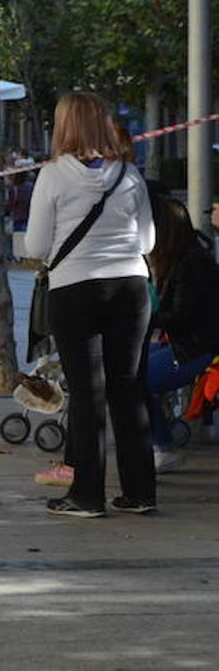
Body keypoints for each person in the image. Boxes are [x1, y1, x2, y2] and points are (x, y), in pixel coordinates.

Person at [25, 92, 155, 518]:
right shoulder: (130, 175)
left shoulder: (53, 177)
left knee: (87, 393)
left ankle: (86, 496)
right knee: (127, 387)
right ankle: (139, 492)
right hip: (131, 287)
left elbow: (36, 245)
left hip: (75, 288)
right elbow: (147, 242)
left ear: (64, 127)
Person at [140, 197, 219, 473]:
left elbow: (184, 317)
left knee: (134, 380)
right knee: (128, 371)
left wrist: (143, 320)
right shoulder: (185, 258)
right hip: (188, 343)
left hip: (197, 348)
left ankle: (162, 445)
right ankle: (161, 440)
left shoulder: (191, 264)